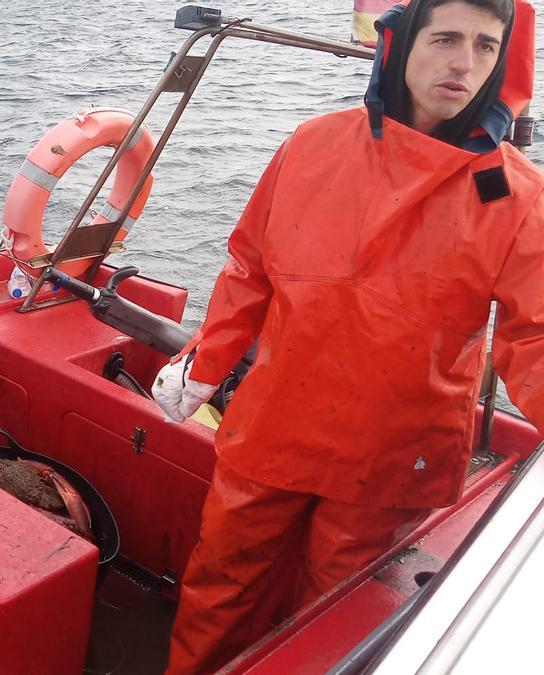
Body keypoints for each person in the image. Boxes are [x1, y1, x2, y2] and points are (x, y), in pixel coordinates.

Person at [150, 0, 544, 672]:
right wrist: (204, 363)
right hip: (275, 424)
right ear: (398, 44)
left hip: (391, 456)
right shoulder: (310, 143)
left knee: (330, 621)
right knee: (219, 585)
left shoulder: (514, 195)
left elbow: (533, 337)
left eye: (485, 45)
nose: (464, 62)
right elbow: (250, 266)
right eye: (445, 38)